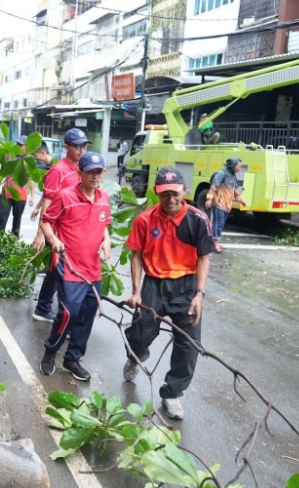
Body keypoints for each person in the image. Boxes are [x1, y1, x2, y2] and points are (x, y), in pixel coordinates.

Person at [122, 166, 215, 420]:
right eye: (165, 194)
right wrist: (136, 292)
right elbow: (136, 256)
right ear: (156, 193)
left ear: (184, 190)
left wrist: (200, 294)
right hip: (154, 284)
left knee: (189, 343)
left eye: (175, 193)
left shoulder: (198, 219)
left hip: (185, 287)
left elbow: (205, 258)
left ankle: (171, 394)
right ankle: (134, 357)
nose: (171, 199)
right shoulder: (145, 220)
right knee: (140, 332)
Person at [39, 152, 112, 382]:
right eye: (90, 171)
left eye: (98, 171)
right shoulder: (65, 196)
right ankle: (51, 350)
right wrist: (53, 240)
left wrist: (107, 241)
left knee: (87, 316)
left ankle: (72, 358)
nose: (95, 175)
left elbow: (105, 225)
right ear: (80, 173)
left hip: (93, 269)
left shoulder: (104, 198)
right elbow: (46, 220)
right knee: (68, 312)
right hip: (69, 266)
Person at [31, 128, 90, 323]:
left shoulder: (82, 170)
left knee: (57, 271)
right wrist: (42, 234)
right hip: (58, 231)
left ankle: (48, 306)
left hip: (75, 231)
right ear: (66, 147)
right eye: (77, 146)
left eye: (84, 146)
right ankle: (44, 307)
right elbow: (48, 201)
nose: (81, 150)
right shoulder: (59, 171)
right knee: (58, 270)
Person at [205, 157, 247, 253]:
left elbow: (234, 191)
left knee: (221, 224)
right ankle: (215, 243)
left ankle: (216, 241)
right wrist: (209, 199)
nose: (240, 168)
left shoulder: (233, 176)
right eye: (239, 166)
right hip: (219, 203)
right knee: (218, 223)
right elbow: (213, 187)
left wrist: (241, 200)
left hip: (227, 205)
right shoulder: (222, 174)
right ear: (233, 166)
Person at [0, 135, 35, 238]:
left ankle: (14, 241)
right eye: (18, 144)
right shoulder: (10, 155)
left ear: (27, 146)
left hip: (21, 196)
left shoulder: (30, 160)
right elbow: (3, 170)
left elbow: (31, 179)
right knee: (2, 218)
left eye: (21, 145)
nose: (18, 146)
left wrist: (32, 196)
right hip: (6, 194)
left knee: (17, 221)